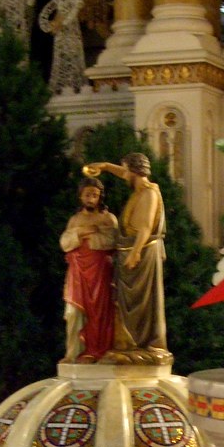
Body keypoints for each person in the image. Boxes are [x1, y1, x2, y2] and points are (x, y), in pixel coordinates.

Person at [87, 153, 170, 364]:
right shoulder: (140, 189)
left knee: (140, 301)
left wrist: (135, 253)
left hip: (142, 253)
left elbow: (144, 227)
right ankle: (130, 342)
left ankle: (143, 343)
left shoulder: (149, 194)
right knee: (128, 301)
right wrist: (105, 165)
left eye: (126, 171)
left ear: (134, 171)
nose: (123, 176)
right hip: (131, 249)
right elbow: (122, 171)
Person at [59, 177, 118, 362]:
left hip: (100, 271)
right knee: (74, 312)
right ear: (81, 197)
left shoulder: (108, 218)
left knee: (101, 312)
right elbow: (64, 242)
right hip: (77, 272)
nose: (91, 198)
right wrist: (83, 232)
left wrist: (90, 237)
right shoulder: (75, 219)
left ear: (100, 197)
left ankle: (100, 350)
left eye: (94, 194)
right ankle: (74, 352)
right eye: (87, 194)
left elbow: (113, 241)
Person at [38, 0, 86, 93]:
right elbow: (44, 14)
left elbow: (74, 11)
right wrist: (47, 26)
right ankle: (58, 87)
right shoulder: (57, 0)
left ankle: (77, 85)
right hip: (60, 36)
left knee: (74, 58)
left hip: (72, 34)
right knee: (60, 59)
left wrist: (63, 23)